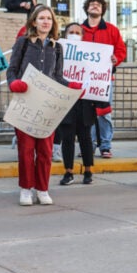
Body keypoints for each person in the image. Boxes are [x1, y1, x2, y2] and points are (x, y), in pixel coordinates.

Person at [7, 5, 81, 206]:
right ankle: (25, 189)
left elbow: (57, 76)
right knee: (26, 149)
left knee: (46, 151)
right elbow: (12, 69)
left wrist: (70, 86)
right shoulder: (23, 43)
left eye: (49, 18)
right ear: (34, 21)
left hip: (46, 105)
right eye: (41, 18)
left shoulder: (57, 47)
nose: (45, 21)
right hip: (25, 102)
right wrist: (14, 83)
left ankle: (42, 188)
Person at [81, 0, 126, 158]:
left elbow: (121, 50)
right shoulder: (79, 30)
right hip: (83, 79)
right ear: (86, 8)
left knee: (104, 112)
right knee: (86, 113)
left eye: (98, 5)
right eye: (92, 4)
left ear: (103, 9)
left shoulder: (112, 30)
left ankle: (105, 145)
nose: (95, 6)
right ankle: (89, 144)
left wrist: (117, 59)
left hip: (104, 79)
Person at [56, 23, 95, 186]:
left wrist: (111, 61)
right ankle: (68, 172)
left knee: (86, 138)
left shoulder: (91, 52)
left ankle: (88, 170)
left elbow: (99, 71)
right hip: (66, 100)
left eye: (77, 32)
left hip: (85, 101)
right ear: (65, 35)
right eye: (71, 32)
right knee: (67, 138)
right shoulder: (58, 51)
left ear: (82, 36)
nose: (74, 34)